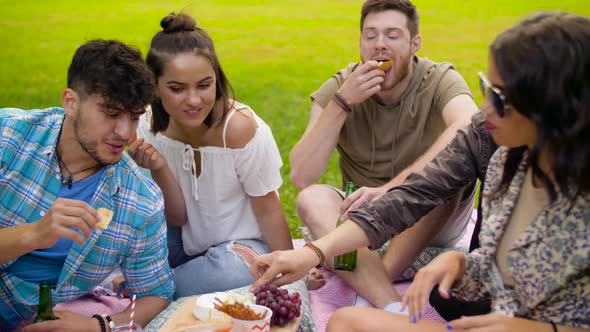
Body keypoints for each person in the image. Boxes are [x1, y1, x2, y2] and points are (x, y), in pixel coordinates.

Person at [253, 11, 590, 331]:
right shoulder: (505, 157)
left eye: (499, 98)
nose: (484, 107)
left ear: (555, 108)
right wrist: (460, 264)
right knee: (345, 322)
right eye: (486, 86)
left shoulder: (441, 83)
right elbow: (413, 194)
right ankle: (378, 291)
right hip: (480, 317)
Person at [289, 0, 478, 309]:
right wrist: (341, 103)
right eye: (370, 36)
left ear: (414, 43)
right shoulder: (340, 87)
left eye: (392, 35)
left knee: (453, 175)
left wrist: (390, 191)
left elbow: (468, 127)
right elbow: (301, 175)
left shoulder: (440, 79)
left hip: (426, 217)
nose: (379, 46)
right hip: (360, 219)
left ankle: (376, 282)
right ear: (360, 41)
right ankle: (391, 307)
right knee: (311, 198)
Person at [0, 40, 174, 331]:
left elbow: (157, 295)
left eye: (134, 117)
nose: (125, 132)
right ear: (71, 102)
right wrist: (33, 234)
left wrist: (100, 326)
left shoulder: (141, 200)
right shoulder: (7, 137)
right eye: (111, 113)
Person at [128, 13, 293, 298]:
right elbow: (174, 218)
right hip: (183, 242)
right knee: (141, 226)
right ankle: (161, 285)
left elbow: (269, 211)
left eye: (204, 85)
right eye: (177, 89)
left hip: (242, 248)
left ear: (216, 78)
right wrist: (159, 169)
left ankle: (148, 289)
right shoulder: (148, 124)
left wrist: (291, 275)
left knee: (235, 273)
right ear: (154, 85)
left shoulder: (240, 128)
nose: (194, 101)